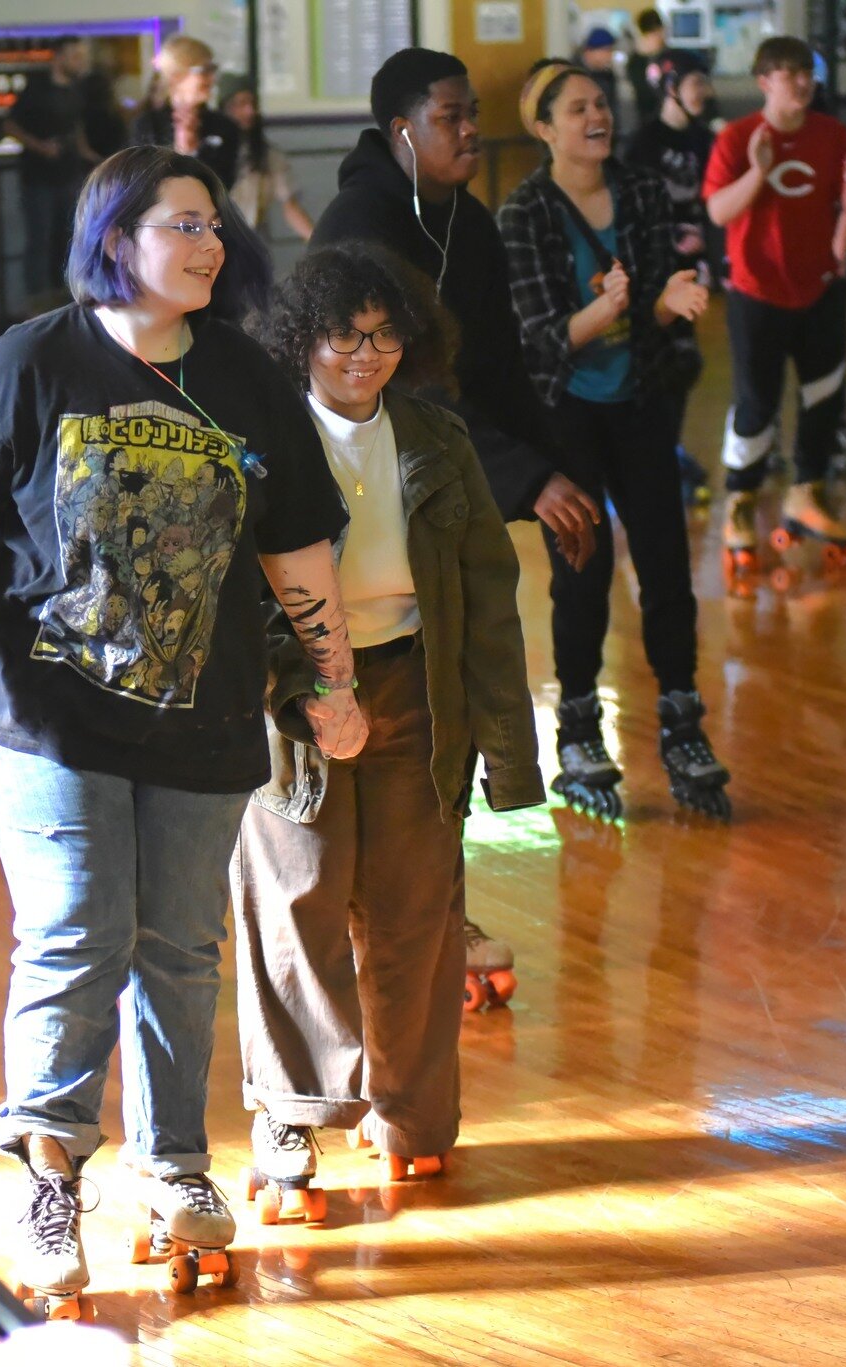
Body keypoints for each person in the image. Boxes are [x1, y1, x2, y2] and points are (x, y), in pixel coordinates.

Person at [0, 145, 359, 1315]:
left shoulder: (247, 381)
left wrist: (333, 677)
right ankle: (50, 1172)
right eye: (181, 226)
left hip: (202, 716)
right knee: (74, 929)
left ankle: (174, 1168)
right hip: (40, 713)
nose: (208, 244)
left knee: (179, 945)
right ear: (116, 239)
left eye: (213, 225)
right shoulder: (31, 361)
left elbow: (297, 541)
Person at [234, 242, 541, 1197]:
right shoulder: (265, 435)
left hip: (416, 687)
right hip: (293, 702)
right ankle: (287, 1121)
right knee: (298, 904)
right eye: (342, 337)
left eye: (384, 336)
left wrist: (509, 754)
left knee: (418, 912)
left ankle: (408, 1110)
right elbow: (237, 593)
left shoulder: (437, 440)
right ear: (303, 342)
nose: (365, 356)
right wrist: (308, 693)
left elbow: (490, 593)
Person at [312, 46, 603, 988]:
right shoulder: (359, 225)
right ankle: (375, 919)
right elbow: (397, 383)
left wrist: (547, 464)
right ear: (402, 130)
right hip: (356, 499)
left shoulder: (465, 224)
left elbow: (499, 371)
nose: (473, 131)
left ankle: (434, 907)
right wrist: (522, 478)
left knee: (447, 711)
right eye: (452, 116)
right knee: (370, 724)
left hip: (438, 489)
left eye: (474, 113)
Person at [499, 63, 729, 822]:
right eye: (577, 108)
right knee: (581, 571)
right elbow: (538, 344)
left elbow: (657, 304)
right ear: (544, 127)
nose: (595, 116)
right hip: (568, 413)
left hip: (641, 403)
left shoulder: (640, 190)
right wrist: (609, 310)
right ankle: (577, 725)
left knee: (666, 562)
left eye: (600, 104)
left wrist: (667, 300)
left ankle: (681, 717)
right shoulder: (525, 212)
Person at [702, 37, 846, 580]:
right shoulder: (738, 137)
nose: (801, 82)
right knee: (756, 403)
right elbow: (719, 210)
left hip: (818, 289)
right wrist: (757, 171)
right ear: (764, 82)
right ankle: (741, 502)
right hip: (757, 294)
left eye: (807, 72)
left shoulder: (832, 135)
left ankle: (807, 491)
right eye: (788, 73)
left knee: (824, 397)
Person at [625, 63, 720, 504]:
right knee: (655, 359)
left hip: (692, 269)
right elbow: (631, 207)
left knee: (682, 361)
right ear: (671, 89)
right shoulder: (645, 143)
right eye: (695, 82)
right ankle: (649, 455)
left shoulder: (706, 140)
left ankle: (666, 451)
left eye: (705, 82)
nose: (704, 90)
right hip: (651, 268)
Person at [5, 36, 99, 308]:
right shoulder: (36, 89)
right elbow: (10, 125)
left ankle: (65, 301)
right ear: (58, 57)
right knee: (40, 240)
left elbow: (76, 125)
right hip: (38, 179)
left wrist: (86, 152)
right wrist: (40, 147)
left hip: (69, 175)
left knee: (68, 239)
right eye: (75, 56)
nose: (80, 62)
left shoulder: (75, 90)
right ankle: (37, 303)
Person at [129, 37, 240, 186]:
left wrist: (192, 151)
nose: (212, 78)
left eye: (213, 70)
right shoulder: (147, 125)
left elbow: (225, 184)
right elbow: (140, 183)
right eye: (204, 71)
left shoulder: (224, 126)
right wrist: (180, 151)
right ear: (176, 75)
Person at [218, 75, 313, 241]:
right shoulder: (210, 151)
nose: (249, 111)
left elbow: (290, 206)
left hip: (248, 240)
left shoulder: (266, 155)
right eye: (240, 104)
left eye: (252, 104)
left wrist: (318, 242)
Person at [578, 28, 623, 137]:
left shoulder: (608, 75)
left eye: (611, 51)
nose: (610, 56)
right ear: (590, 51)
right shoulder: (575, 76)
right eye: (606, 50)